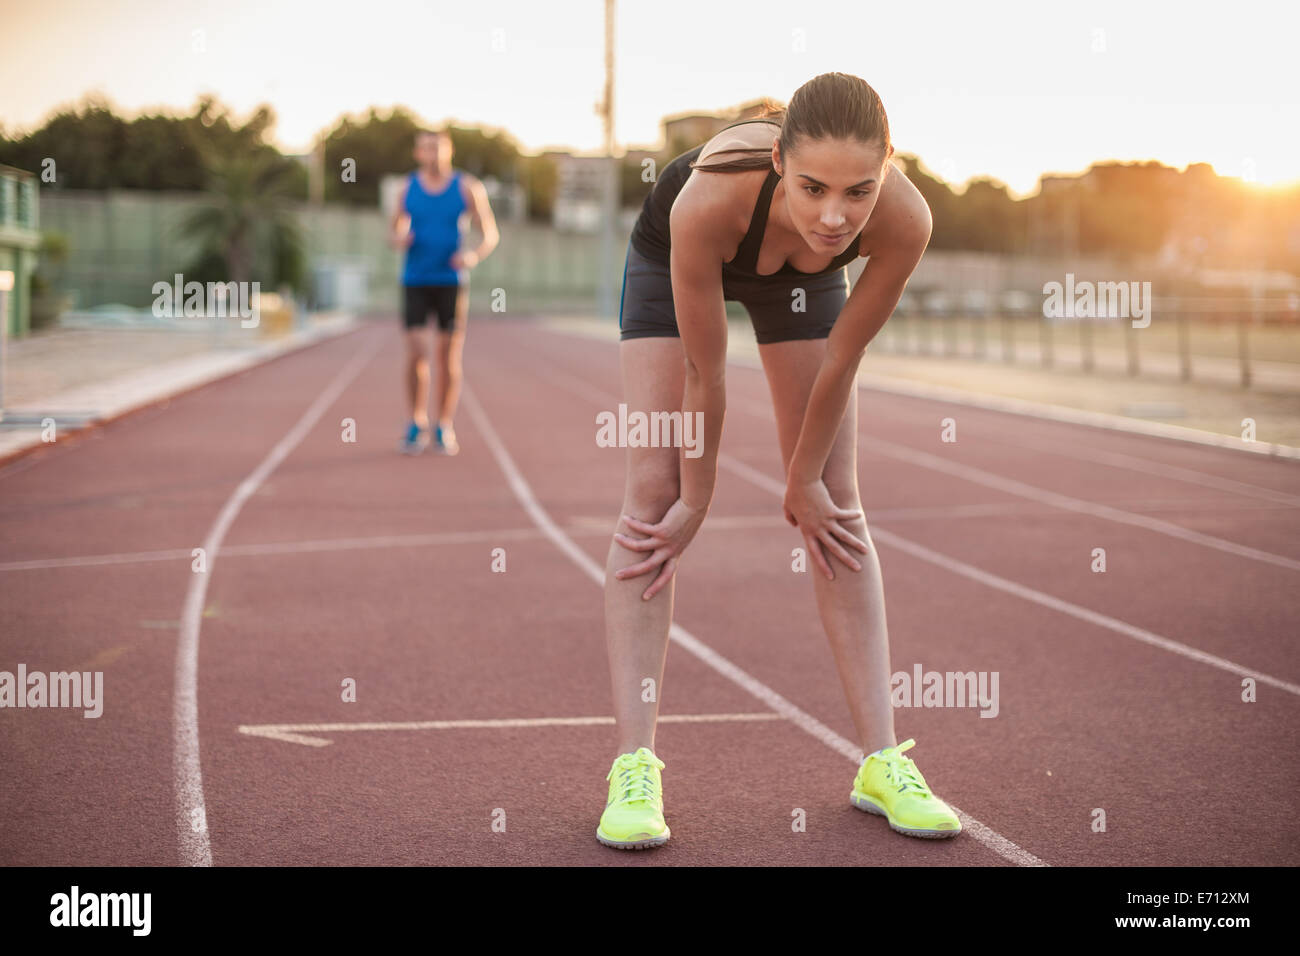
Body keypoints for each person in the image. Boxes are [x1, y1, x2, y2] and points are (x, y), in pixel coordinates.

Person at [597, 72, 961, 849]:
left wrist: (800, 483)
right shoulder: (706, 200)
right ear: (778, 166)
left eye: (858, 191)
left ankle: (881, 763)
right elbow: (706, 373)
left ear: (889, 166)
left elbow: (841, 361)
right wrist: (697, 501)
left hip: (802, 288)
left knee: (835, 499)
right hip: (676, 259)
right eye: (813, 188)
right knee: (654, 497)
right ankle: (635, 765)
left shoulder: (905, 221)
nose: (835, 216)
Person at [388, 128, 498, 455]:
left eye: (438, 148)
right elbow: (393, 230)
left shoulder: (467, 188)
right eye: (426, 148)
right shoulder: (407, 188)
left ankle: (444, 425)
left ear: (448, 151)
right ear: (417, 153)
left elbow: (490, 234)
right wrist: (399, 239)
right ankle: (415, 421)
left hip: (451, 281)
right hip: (415, 280)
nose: (433, 154)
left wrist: (472, 256)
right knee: (417, 352)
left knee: (447, 356)